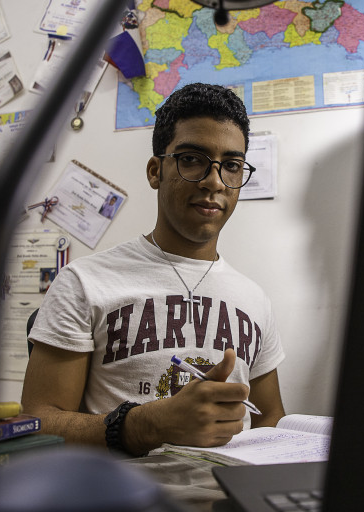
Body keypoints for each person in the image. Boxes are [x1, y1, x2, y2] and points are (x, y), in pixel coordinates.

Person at [21, 83, 285, 458]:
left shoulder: (255, 300)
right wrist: (146, 425)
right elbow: (38, 423)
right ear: (155, 171)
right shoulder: (84, 282)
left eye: (231, 165)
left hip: (229, 487)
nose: (214, 181)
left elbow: (270, 417)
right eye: (192, 159)